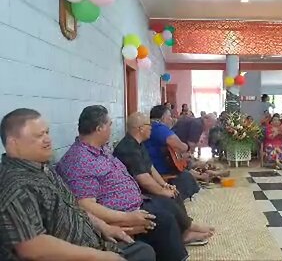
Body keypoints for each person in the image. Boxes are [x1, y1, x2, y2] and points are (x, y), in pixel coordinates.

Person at [0, 108, 156, 261]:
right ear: (13, 142)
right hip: (79, 254)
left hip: (93, 242)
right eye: (39, 135)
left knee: (144, 249)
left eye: (47, 132)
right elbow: (33, 248)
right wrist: (100, 256)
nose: (48, 140)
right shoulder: (15, 185)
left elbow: (73, 206)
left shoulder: (43, 169)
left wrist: (104, 227)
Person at [56, 105, 189, 261]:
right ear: (99, 128)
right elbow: (85, 205)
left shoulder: (101, 150)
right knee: (163, 221)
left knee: (168, 205)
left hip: (136, 203)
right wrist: (127, 218)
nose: (111, 128)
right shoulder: (80, 160)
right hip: (122, 215)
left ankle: (184, 235)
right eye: (109, 124)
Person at [114, 112, 214, 245]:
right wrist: (162, 191)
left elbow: (150, 168)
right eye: (149, 126)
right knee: (168, 198)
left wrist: (164, 185)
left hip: (141, 185)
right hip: (133, 192)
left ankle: (187, 226)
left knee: (173, 191)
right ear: (140, 129)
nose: (151, 128)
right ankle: (185, 232)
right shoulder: (128, 148)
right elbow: (143, 179)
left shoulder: (139, 144)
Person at [145, 105, 202, 196]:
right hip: (158, 168)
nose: (171, 119)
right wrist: (187, 147)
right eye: (169, 117)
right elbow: (178, 144)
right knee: (186, 175)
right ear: (163, 117)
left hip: (155, 163)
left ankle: (202, 176)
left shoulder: (151, 126)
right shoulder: (158, 127)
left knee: (186, 164)